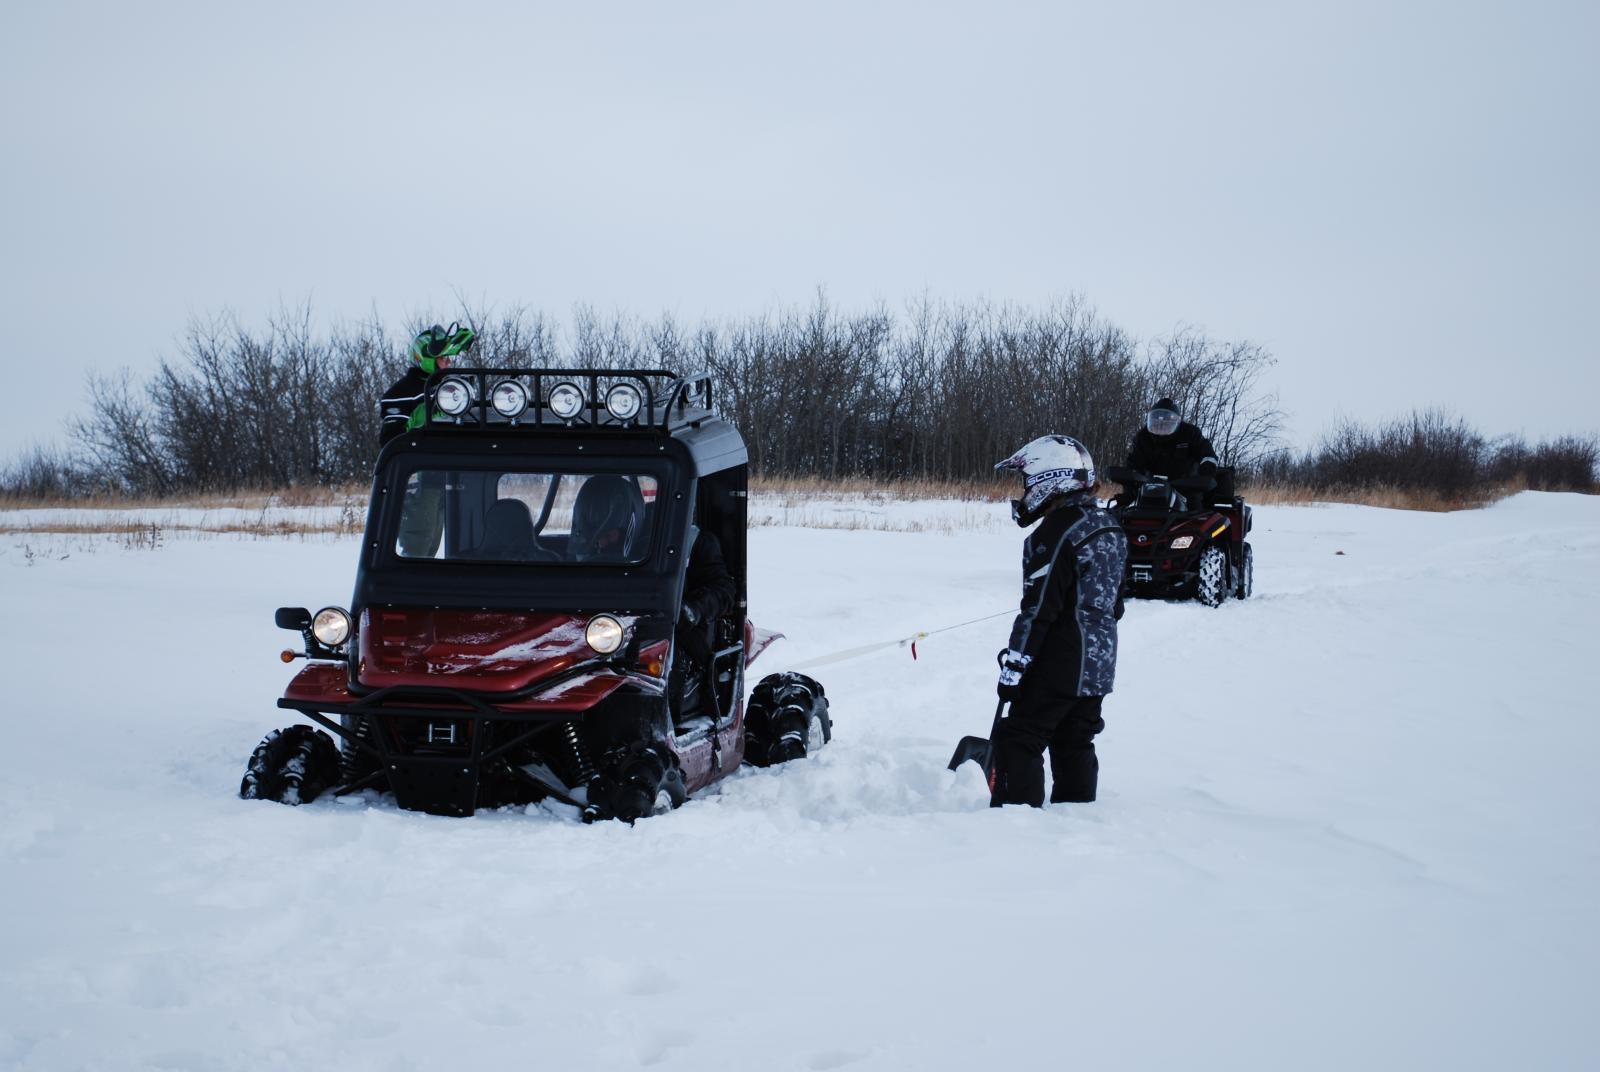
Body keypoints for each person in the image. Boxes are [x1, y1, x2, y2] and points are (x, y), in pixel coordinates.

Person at [990, 435, 1128, 807]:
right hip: (1099, 663)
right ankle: (1075, 819)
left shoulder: (1053, 534)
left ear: (1048, 479)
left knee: (1018, 738)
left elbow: (1038, 610)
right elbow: (1116, 603)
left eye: (1026, 482)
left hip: (1060, 661)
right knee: (1074, 740)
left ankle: (1015, 822)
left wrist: (1015, 666)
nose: (1024, 491)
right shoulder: (1109, 526)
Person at [379, 323, 478, 445]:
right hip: (420, 457)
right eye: (444, 357)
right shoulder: (400, 392)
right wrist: (430, 413)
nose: (449, 361)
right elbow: (390, 441)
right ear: (427, 360)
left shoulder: (444, 387)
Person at [1125, 397, 1219, 486]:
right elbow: (1134, 462)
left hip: (1186, 486)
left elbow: (1206, 451)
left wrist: (1208, 466)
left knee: (1194, 501)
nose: (1161, 427)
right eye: (1157, 423)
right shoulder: (1143, 437)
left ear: (1176, 423)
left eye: (1166, 424)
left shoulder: (1190, 433)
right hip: (1149, 485)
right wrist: (1131, 482)